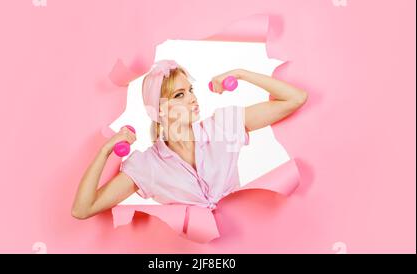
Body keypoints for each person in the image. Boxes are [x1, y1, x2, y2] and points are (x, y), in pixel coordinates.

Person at [71, 59, 307, 219]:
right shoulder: (146, 167)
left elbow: (295, 99)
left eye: (191, 91)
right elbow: (83, 209)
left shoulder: (223, 126)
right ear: (159, 110)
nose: (193, 99)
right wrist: (104, 152)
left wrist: (240, 74)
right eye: (180, 95)